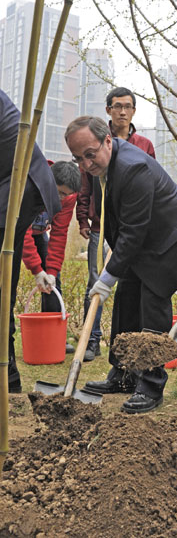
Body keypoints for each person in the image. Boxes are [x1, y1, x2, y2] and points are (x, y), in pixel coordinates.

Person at [65, 116, 177, 414]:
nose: (86, 164)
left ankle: (151, 385)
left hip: (172, 244)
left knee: (152, 302)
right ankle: (124, 375)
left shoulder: (133, 168)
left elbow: (134, 230)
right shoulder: (102, 167)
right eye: (78, 158)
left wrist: (107, 275)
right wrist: (115, 273)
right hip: (145, 244)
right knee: (126, 301)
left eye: (90, 154)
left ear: (108, 141)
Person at [76, 86, 156, 362]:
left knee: (130, 285)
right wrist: (82, 215)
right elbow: (85, 181)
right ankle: (91, 339)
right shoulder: (96, 141)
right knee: (96, 282)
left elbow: (152, 186)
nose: (123, 111)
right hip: (101, 225)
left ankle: (127, 346)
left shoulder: (144, 145)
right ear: (108, 110)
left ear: (134, 110)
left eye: (128, 106)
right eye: (117, 106)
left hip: (133, 228)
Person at [0, 89, 60, 393]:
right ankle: (7, 374)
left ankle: (5, 374)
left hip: (18, 185)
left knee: (1, 286)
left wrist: (44, 270)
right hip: (14, 185)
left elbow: (48, 238)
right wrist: (38, 270)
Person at [22, 161, 81, 353]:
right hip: (15, 229)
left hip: (39, 233)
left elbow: (59, 233)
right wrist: (36, 269)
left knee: (52, 281)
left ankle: (54, 336)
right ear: (48, 180)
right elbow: (21, 231)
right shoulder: (30, 182)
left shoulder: (68, 197)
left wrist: (51, 271)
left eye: (66, 194)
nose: (61, 198)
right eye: (59, 192)